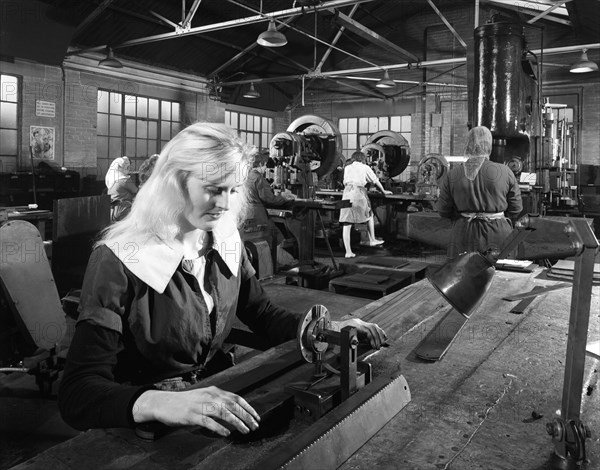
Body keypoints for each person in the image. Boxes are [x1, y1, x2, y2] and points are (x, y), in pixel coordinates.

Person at [58, 123, 387, 436]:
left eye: (232, 190)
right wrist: (159, 402)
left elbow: (260, 313)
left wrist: (324, 331)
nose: (225, 204)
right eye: (213, 189)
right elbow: (79, 393)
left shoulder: (224, 240)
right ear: (175, 182)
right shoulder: (121, 259)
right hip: (140, 419)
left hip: (212, 396)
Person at [437, 126, 523, 260]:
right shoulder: (505, 171)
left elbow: (443, 210)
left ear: (467, 144)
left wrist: (461, 217)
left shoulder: (452, 174)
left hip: (464, 234)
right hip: (498, 234)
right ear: (489, 145)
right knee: (501, 276)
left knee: (462, 276)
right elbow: (516, 208)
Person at [246, 150, 298, 268]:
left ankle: (265, 264)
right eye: (265, 165)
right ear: (260, 164)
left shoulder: (247, 176)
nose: (265, 168)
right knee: (276, 236)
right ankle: (285, 262)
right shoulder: (258, 178)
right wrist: (284, 197)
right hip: (257, 215)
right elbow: (269, 199)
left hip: (246, 212)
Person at [339, 151, 392, 258]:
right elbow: (375, 180)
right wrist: (383, 191)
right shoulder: (365, 167)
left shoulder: (347, 167)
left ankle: (348, 252)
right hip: (358, 193)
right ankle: (372, 239)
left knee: (346, 223)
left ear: (353, 158)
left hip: (346, 193)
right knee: (369, 215)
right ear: (362, 159)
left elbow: (345, 181)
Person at [105, 156, 138, 221]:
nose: (128, 169)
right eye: (126, 167)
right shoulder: (124, 180)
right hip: (124, 210)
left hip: (112, 212)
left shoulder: (111, 180)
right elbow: (136, 191)